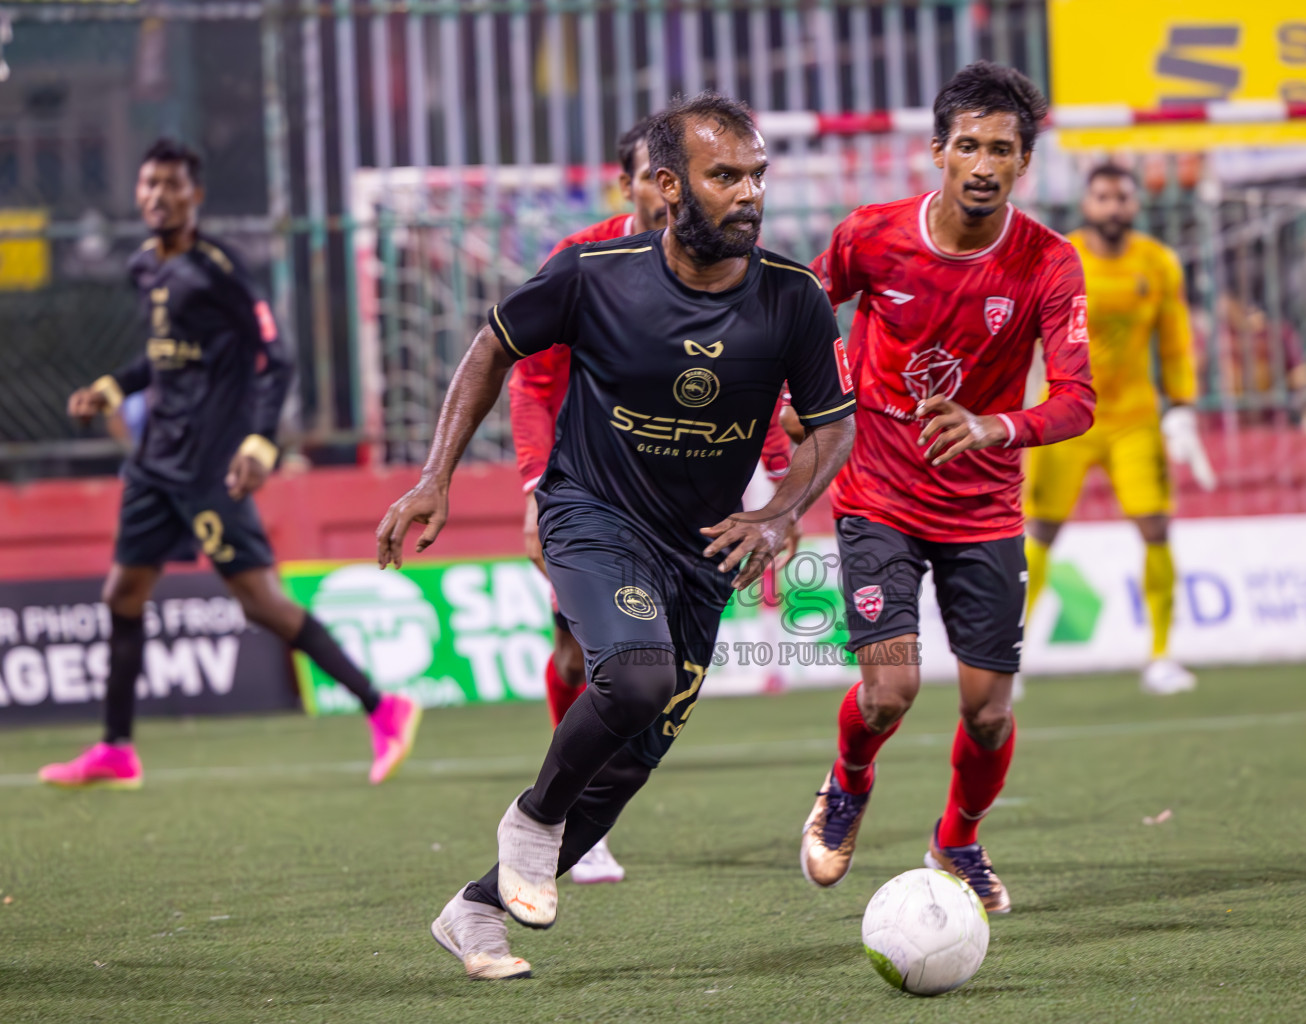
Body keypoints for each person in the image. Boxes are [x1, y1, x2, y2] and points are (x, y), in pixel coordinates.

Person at [376, 93, 856, 980]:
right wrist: (435, 477)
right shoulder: (594, 273)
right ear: (670, 186)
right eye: (725, 176)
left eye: (756, 175)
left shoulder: (794, 299)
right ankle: (530, 820)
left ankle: (475, 913)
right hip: (592, 515)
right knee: (634, 679)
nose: (748, 194)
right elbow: (492, 349)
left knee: (628, 767)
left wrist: (784, 509)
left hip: (701, 553)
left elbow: (832, 427)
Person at [797, 62, 1095, 915]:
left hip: (984, 507)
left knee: (990, 712)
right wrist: (799, 400)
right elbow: (804, 313)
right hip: (877, 495)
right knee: (890, 690)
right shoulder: (872, 236)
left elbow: (1077, 400)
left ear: (1023, 163)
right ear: (937, 151)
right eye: (968, 144)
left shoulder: (1049, 263)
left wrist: (994, 424)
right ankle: (848, 784)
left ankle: (958, 839)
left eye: (1002, 148)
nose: (984, 163)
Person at [38, 138, 420, 790]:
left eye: (171, 185)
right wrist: (113, 386)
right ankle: (116, 749)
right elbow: (162, 358)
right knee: (121, 594)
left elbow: (278, 358)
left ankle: (383, 707)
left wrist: (260, 440)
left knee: (260, 603)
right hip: (155, 462)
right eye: (148, 184)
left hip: (211, 465)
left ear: (196, 196)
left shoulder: (219, 268)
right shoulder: (142, 268)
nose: (158, 195)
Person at [509, 117, 795, 886]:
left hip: (687, 509)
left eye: (747, 176)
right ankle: (559, 815)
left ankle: (571, 813)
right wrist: (539, 488)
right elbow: (530, 382)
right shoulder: (584, 266)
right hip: (594, 493)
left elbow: (757, 384)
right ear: (645, 183)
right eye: (642, 176)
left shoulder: (735, 273)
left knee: (656, 678)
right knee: (593, 658)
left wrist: (777, 485)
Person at [1023, 164, 1214, 696]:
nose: (1113, 207)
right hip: (1065, 416)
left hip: (1133, 418)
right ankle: (1007, 658)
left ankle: (1161, 655)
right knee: (1039, 532)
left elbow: (1175, 339)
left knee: (1156, 527)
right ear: (1087, 205)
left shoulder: (1157, 262)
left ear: (1135, 204)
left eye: (1121, 197)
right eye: (1103, 197)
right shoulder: (1060, 256)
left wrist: (1183, 405)